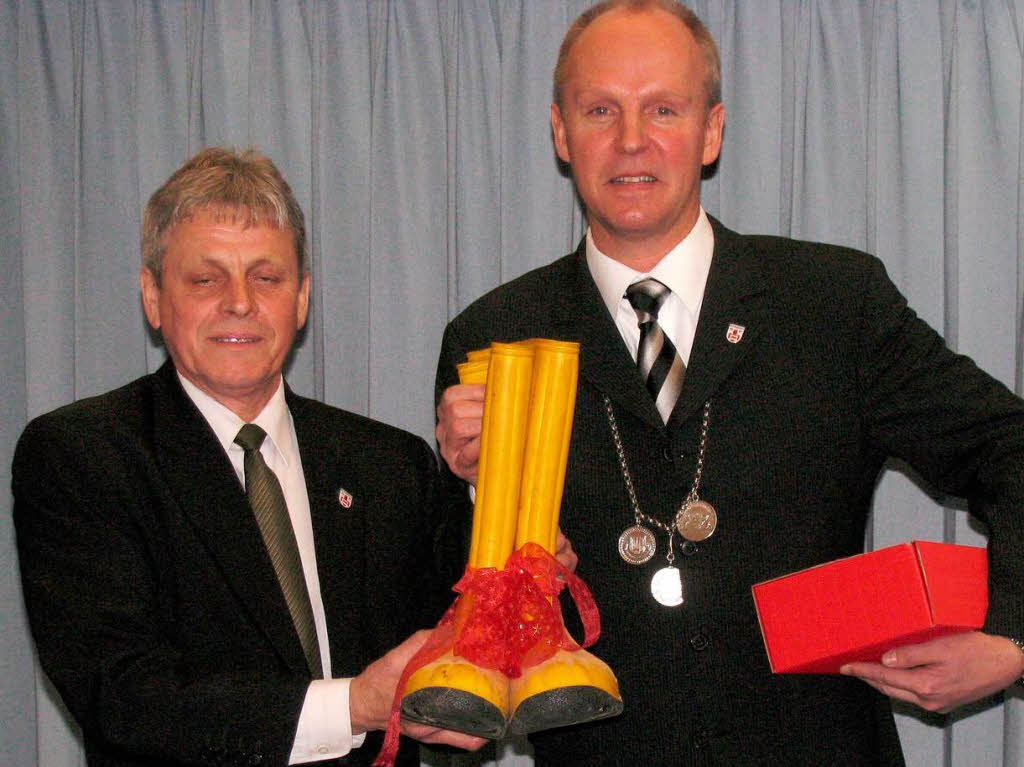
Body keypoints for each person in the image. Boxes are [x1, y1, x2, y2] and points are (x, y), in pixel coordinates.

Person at [434, 1, 1024, 764]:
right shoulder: (495, 339)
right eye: (601, 110)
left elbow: (1009, 449)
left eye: (664, 109)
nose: (632, 140)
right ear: (559, 132)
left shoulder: (833, 302)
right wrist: (482, 497)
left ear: (711, 131)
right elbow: (463, 627)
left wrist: (1013, 632)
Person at [13, 147, 484, 767]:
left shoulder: (389, 464)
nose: (240, 302)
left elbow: (471, 642)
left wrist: (503, 509)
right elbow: (124, 698)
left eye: (266, 277)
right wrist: (354, 705)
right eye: (205, 279)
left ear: (302, 298)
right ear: (153, 297)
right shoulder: (85, 456)